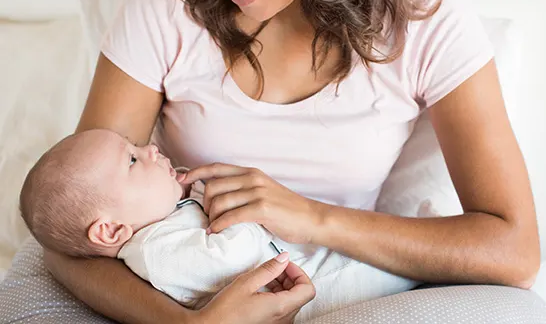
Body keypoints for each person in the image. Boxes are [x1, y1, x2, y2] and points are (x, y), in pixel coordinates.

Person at [43, 0, 541, 322]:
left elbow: (513, 251)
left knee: (523, 316)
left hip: (344, 284)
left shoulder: (425, 23)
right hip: (183, 289)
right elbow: (73, 231)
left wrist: (309, 217)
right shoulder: (165, 7)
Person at [20, 129, 413, 321]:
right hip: (321, 289)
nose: (151, 148)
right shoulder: (157, 252)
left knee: (398, 264)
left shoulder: (164, 223)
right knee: (393, 276)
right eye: (134, 160)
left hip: (315, 266)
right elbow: (232, 256)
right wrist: (216, 204)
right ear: (109, 230)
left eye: (135, 145)